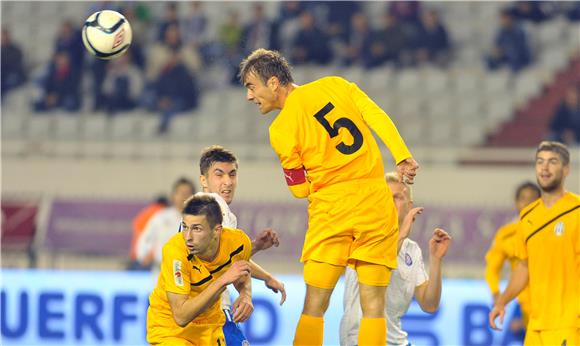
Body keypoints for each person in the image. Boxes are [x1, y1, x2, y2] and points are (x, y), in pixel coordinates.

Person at [239, 48, 419, 345]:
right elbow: (375, 115)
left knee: (315, 306)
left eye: (251, 86)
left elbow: (298, 190)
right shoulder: (336, 84)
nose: (249, 96)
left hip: (332, 211)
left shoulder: (281, 128)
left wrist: (318, 182)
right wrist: (401, 156)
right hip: (375, 201)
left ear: (273, 83)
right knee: (374, 306)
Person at [340, 172, 451, 346]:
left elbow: (429, 305)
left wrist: (436, 260)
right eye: (385, 197)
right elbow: (379, 268)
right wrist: (400, 235)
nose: (391, 203)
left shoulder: (412, 250)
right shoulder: (361, 236)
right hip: (361, 340)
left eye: (397, 198)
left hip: (396, 342)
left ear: (410, 205)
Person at [490, 141, 580, 345]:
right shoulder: (527, 216)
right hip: (536, 325)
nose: (544, 167)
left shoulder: (577, 210)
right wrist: (502, 302)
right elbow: (523, 267)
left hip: (569, 323)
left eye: (552, 162)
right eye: (540, 162)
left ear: (566, 170)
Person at [198, 145, 287, 345]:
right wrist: (246, 293)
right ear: (203, 180)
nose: (227, 182)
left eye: (232, 174)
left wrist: (264, 271)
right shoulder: (214, 205)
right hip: (209, 316)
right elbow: (230, 260)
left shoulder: (201, 208)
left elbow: (226, 256)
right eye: (219, 175)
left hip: (202, 313)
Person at [146, 194, 253, 345]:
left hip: (210, 326)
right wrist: (223, 280)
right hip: (171, 330)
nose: (188, 237)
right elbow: (181, 316)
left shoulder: (239, 242)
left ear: (217, 231)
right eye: (185, 227)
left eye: (196, 228)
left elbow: (243, 268)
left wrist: (245, 294)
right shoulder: (175, 252)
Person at [484, 181, 541, 338]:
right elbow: (492, 267)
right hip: (522, 302)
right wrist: (496, 294)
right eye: (523, 198)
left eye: (533, 198)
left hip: (551, 299)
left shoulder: (552, 230)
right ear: (516, 203)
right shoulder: (506, 234)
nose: (528, 203)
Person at [136, 177, 196, 277]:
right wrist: (143, 254)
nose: (184, 197)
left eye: (187, 194)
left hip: (189, 273)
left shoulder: (199, 219)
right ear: (173, 196)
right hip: (162, 272)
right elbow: (146, 239)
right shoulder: (161, 217)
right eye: (181, 193)